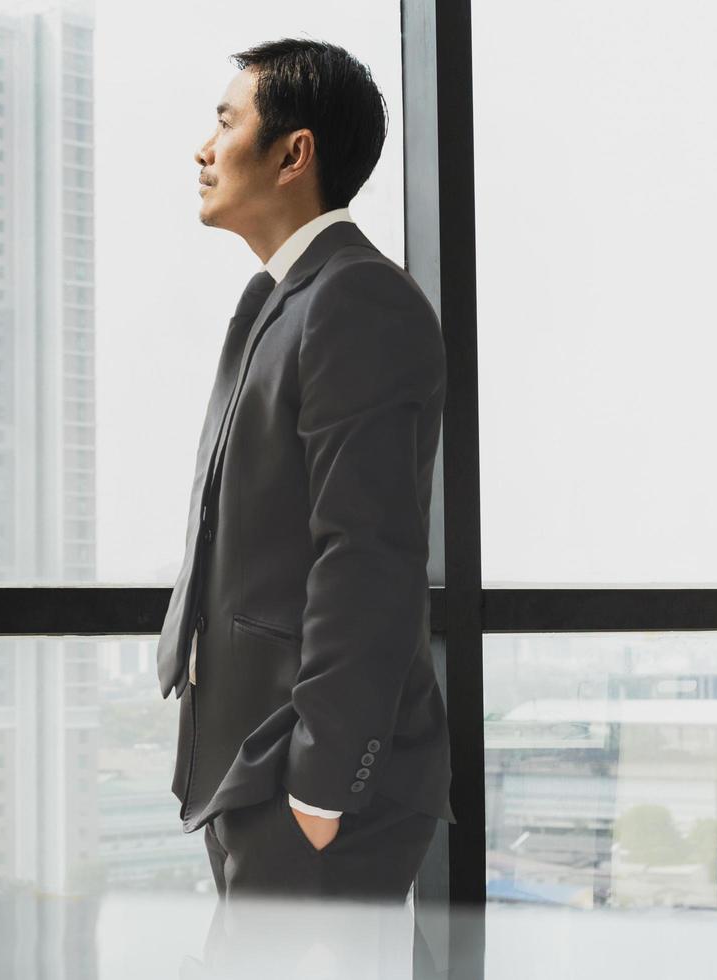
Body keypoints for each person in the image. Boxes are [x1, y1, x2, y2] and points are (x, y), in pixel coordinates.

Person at [157, 37, 456, 907]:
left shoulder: (355, 298)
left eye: (226, 122)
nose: (203, 149)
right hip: (257, 772)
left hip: (314, 788)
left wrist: (322, 788)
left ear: (295, 153)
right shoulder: (285, 300)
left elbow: (366, 552)